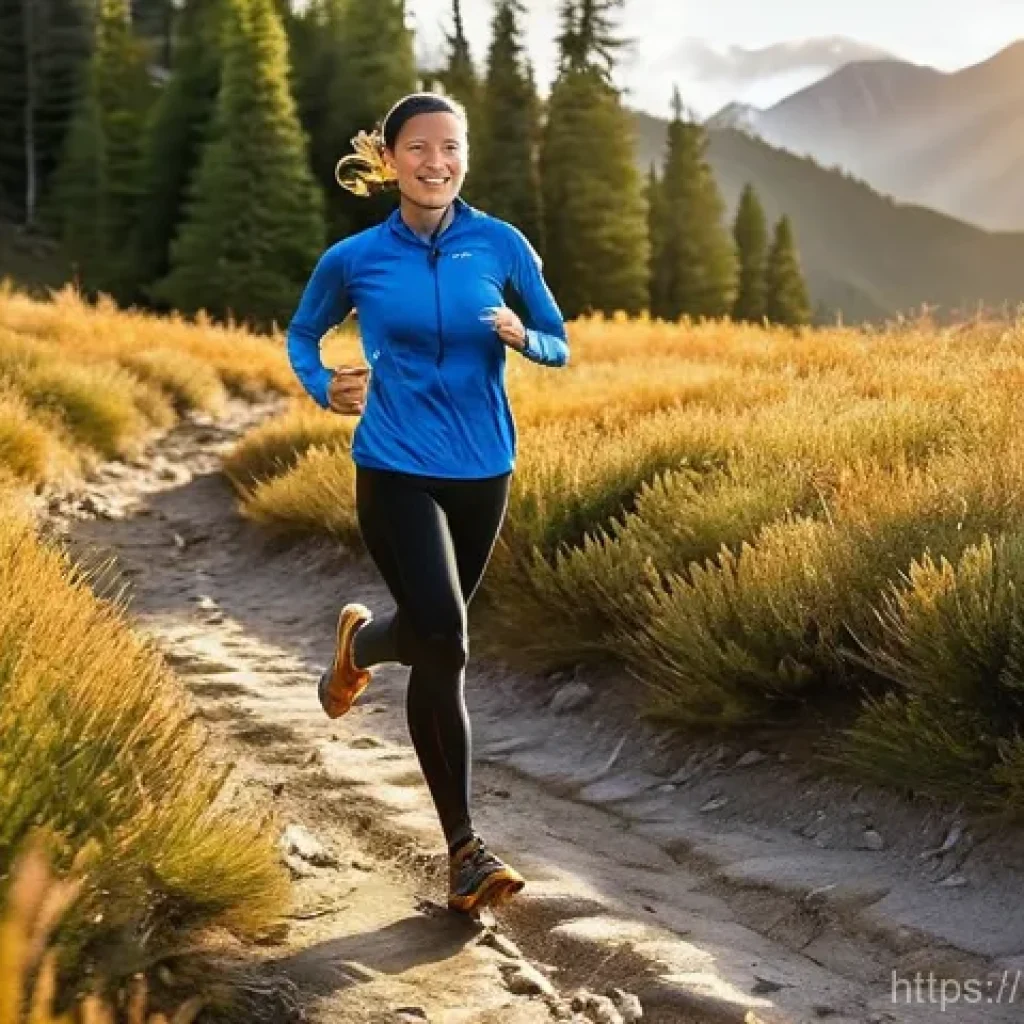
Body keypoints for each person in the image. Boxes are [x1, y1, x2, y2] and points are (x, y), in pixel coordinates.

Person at [285, 92, 569, 914]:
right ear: (391, 159)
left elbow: (559, 337)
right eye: (419, 148)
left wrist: (525, 338)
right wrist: (323, 387)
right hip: (394, 464)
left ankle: (359, 647)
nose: (436, 161)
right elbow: (304, 336)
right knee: (445, 637)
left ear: (463, 157)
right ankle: (465, 852)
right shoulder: (355, 259)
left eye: (451, 147)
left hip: (485, 467)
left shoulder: (502, 245)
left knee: (430, 631)